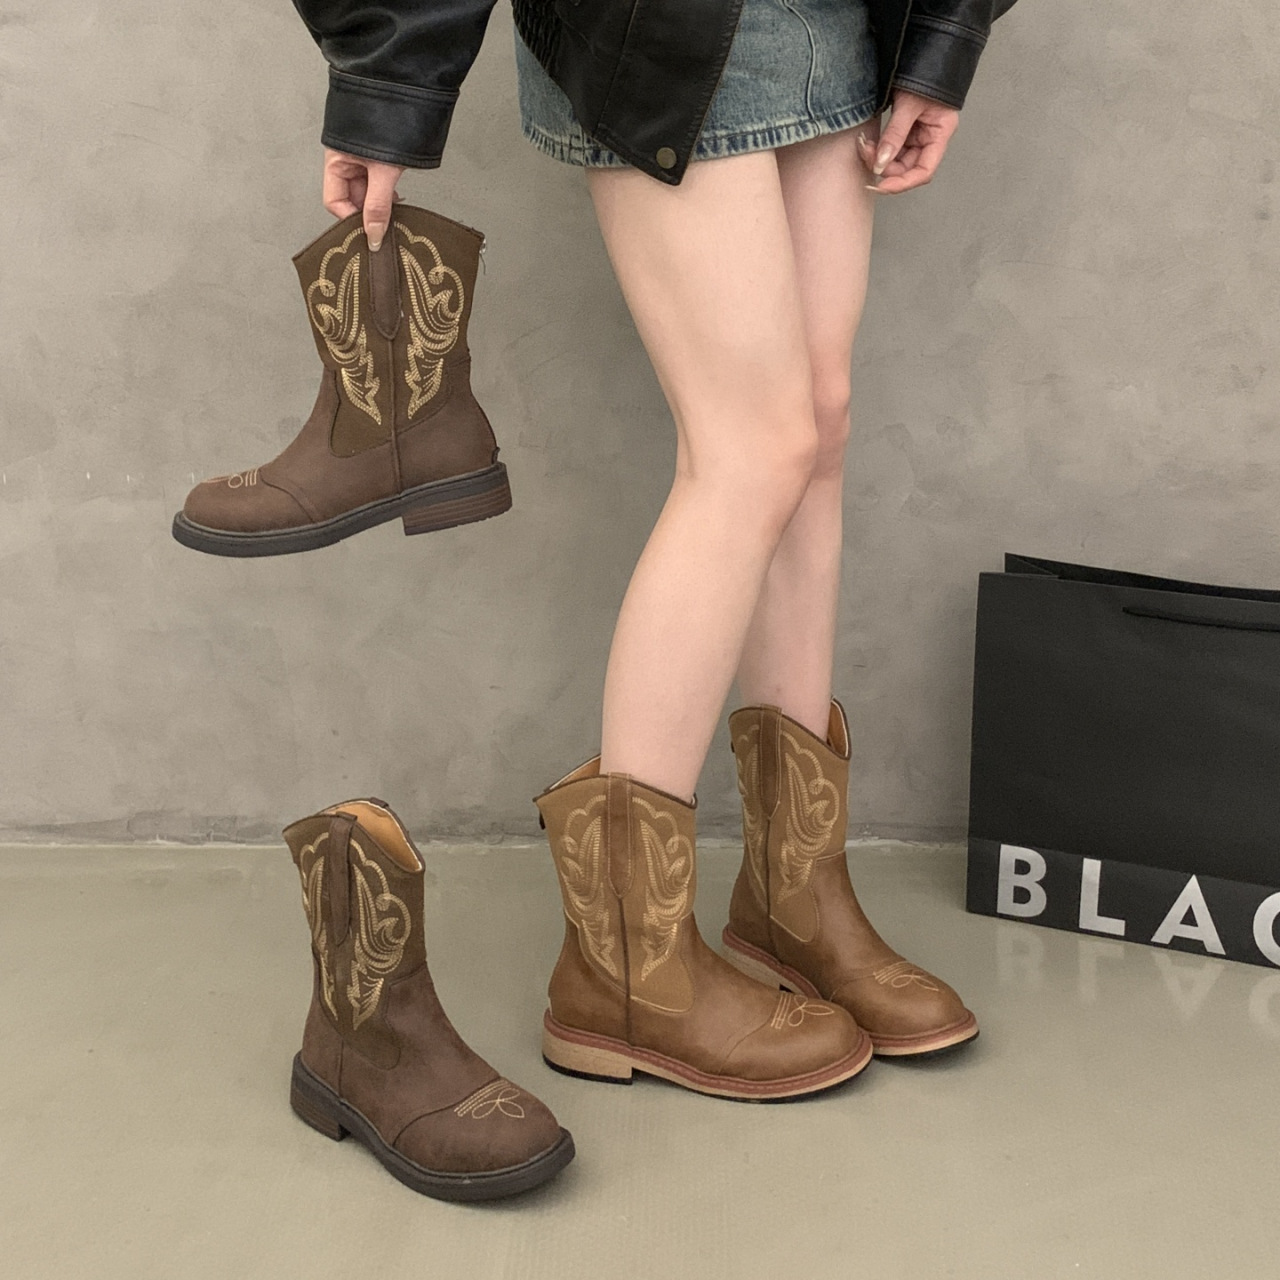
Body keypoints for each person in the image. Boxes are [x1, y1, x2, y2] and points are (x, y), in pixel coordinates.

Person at [290, 0, 1019, 1098]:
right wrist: (387, 82)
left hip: (836, 19)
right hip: (665, 26)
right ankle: (625, 966)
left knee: (815, 427)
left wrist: (943, 33)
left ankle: (794, 893)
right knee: (752, 448)